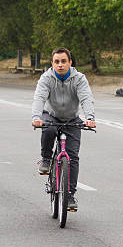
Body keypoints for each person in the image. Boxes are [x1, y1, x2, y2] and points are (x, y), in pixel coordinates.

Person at [31, 47, 96, 210]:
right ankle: (46, 159)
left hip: (72, 118)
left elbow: (86, 97)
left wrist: (90, 118)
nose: (60, 65)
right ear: (52, 63)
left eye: (63, 61)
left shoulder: (79, 79)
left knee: (73, 156)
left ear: (70, 62)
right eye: (57, 62)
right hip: (51, 115)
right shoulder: (46, 78)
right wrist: (36, 118)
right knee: (49, 129)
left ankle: (70, 195)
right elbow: (39, 97)